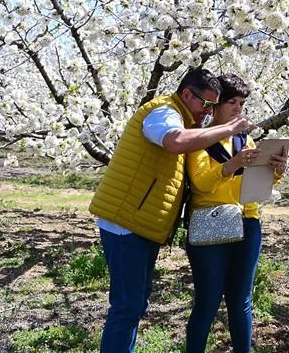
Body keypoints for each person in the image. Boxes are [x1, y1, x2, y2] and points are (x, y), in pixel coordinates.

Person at [89, 68, 255, 353]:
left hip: (141, 224)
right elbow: (175, 142)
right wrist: (227, 129)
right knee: (127, 307)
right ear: (187, 94)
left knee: (135, 305)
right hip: (126, 223)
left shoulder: (183, 119)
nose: (207, 113)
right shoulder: (163, 113)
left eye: (213, 107)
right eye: (206, 105)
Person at [184, 73, 288, 353]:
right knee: (208, 300)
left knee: (241, 300)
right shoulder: (199, 139)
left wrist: (275, 171)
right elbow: (201, 183)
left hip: (247, 222)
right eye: (232, 102)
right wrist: (232, 164)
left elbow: (256, 186)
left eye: (242, 103)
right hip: (210, 221)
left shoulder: (246, 141)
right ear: (215, 104)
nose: (238, 109)